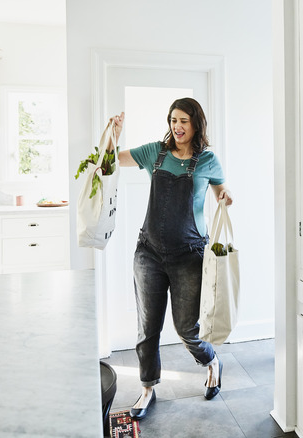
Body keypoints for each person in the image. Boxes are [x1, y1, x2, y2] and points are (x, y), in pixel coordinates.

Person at [109, 97, 233, 421]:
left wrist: (224, 196)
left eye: (184, 121)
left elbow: (220, 189)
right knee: (147, 329)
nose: (177, 127)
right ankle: (148, 388)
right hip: (149, 253)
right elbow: (111, 161)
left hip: (189, 256)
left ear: (196, 125)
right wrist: (113, 135)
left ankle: (211, 362)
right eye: (173, 120)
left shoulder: (207, 160)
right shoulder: (155, 153)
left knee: (187, 329)